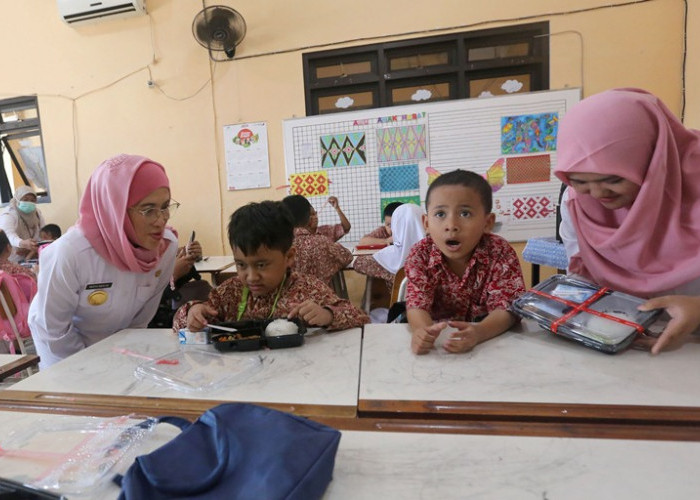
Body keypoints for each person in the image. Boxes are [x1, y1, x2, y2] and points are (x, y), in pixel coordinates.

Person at [554, 88, 700, 355]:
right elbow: (583, 280)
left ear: (654, 158)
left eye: (613, 180)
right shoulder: (577, 204)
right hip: (624, 345)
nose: (597, 195)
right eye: (580, 182)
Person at [28, 154, 179, 367]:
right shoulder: (71, 253)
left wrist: (121, 357)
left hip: (119, 348)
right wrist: (91, 367)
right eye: (148, 210)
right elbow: (52, 329)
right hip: (63, 352)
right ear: (115, 209)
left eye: (165, 206)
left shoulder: (165, 248)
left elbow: (141, 319)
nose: (161, 219)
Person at [174, 201, 368, 332]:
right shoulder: (229, 293)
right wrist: (193, 311)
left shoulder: (307, 289)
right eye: (241, 264)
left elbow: (358, 317)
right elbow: (178, 324)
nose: (251, 276)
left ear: (289, 257)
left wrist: (327, 315)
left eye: (261, 265)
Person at [404, 169, 525, 355]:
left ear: (487, 222)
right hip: (440, 344)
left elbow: (507, 309)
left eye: (465, 214)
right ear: (426, 223)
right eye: (440, 214)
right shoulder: (420, 254)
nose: (451, 225)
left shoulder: (500, 251)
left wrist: (480, 332)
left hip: (490, 341)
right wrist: (424, 332)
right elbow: (416, 305)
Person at [282, 195, 353, 286]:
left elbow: (345, 227)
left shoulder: (279, 246)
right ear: (308, 218)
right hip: (320, 296)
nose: (315, 217)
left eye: (315, 213)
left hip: (289, 299)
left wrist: (337, 208)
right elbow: (346, 256)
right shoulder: (322, 241)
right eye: (312, 214)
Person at [354, 203, 425, 291]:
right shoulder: (435, 249)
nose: (392, 229)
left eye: (394, 224)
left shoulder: (393, 253)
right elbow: (363, 241)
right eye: (388, 225)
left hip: (402, 300)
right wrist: (386, 241)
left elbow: (358, 263)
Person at [148, 238, 212, 328]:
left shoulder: (156, 244)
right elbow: (148, 301)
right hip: (154, 327)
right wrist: (172, 276)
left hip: (171, 318)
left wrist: (187, 257)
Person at [0, 185, 45, 263]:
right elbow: (8, 235)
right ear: (17, 199)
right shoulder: (9, 214)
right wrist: (22, 243)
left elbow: (43, 232)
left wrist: (32, 250)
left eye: (32, 200)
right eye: (25, 199)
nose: (29, 203)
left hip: (32, 256)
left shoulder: (37, 213)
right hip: (13, 259)